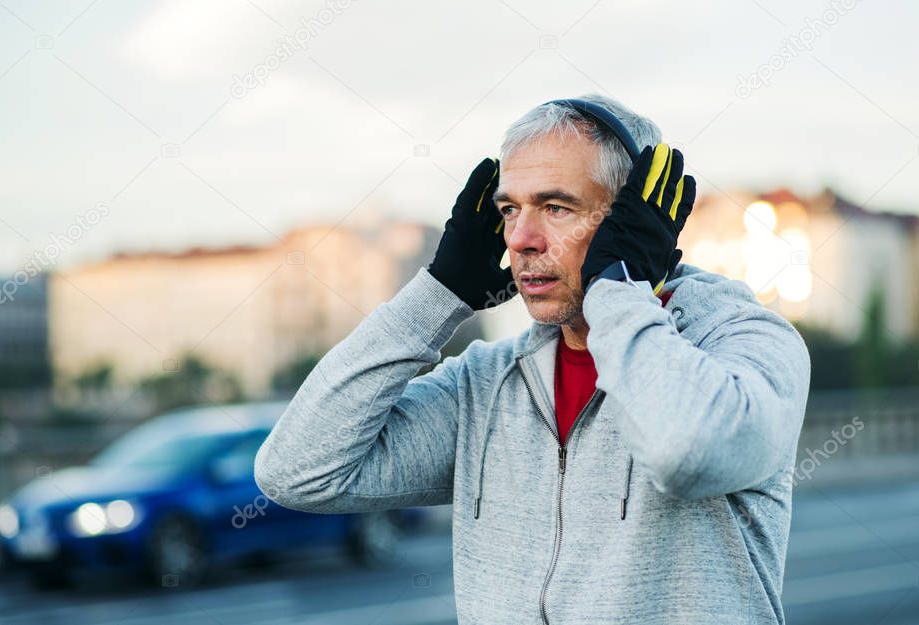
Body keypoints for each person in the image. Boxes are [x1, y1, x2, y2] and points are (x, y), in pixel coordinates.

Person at [255, 93, 811, 624]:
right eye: (509, 210)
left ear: (633, 222)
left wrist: (616, 285)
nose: (520, 238)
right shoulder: (487, 386)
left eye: (555, 206)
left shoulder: (744, 344)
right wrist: (439, 294)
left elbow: (688, 453)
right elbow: (297, 472)